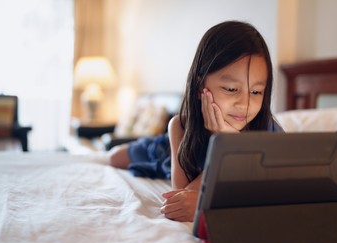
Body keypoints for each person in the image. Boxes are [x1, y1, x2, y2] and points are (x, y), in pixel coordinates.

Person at [109, 20, 283, 222]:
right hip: (168, 150)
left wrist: (229, 144)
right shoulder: (179, 126)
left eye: (256, 91)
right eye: (231, 89)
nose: (244, 103)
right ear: (201, 87)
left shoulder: (268, 134)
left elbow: (279, 191)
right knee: (115, 157)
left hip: (194, 153)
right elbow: (181, 198)